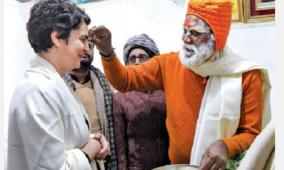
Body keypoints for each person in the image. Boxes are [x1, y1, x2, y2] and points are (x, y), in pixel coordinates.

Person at [89, 0, 271, 169]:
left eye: (195, 33)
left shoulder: (245, 74)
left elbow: (252, 134)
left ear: (217, 37)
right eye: (185, 31)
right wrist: (107, 52)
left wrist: (226, 145)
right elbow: (125, 80)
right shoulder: (170, 64)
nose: (186, 38)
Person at [7, 0, 109, 169]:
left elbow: (61, 139)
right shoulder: (36, 90)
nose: (86, 48)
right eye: (82, 39)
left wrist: (92, 138)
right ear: (57, 38)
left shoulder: (56, 82)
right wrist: (90, 150)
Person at [113, 34, 170, 170]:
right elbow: (120, 146)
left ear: (153, 60)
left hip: (168, 165)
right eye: (132, 58)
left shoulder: (166, 92)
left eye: (142, 57)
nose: (137, 62)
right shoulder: (120, 97)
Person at [64, 35, 117, 170]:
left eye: (90, 46)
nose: (86, 49)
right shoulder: (59, 85)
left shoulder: (105, 83)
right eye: (82, 43)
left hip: (103, 159)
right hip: (72, 160)